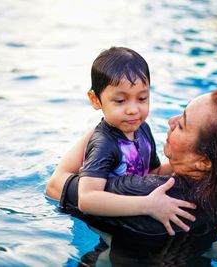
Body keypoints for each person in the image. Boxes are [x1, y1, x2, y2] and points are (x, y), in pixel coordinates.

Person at [46, 87, 217, 265]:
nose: (171, 122)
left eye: (182, 125)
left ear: (204, 162)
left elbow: (56, 186)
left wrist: (105, 129)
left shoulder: (148, 194)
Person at [46, 46, 196, 235]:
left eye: (142, 98)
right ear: (95, 100)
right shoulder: (104, 143)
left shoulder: (142, 129)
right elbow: (87, 199)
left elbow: (152, 172)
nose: (133, 109)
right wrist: (147, 205)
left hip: (128, 203)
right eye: (120, 101)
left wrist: (185, 165)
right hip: (101, 217)